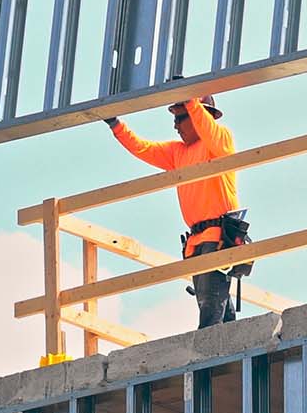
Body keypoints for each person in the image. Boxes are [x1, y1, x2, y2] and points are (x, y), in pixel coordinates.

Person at [104, 88, 248, 327]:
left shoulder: (219, 141)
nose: (175, 126)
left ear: (198, 114)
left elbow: (206, 126)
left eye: (179, 118)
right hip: (197, 242)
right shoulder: (178, 153)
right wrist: (115, 124)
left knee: (210, 308)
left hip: (217, 236)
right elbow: (142, 148)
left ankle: (208, 360)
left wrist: (190, 98)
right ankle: (234, 339)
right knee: (212, 302)